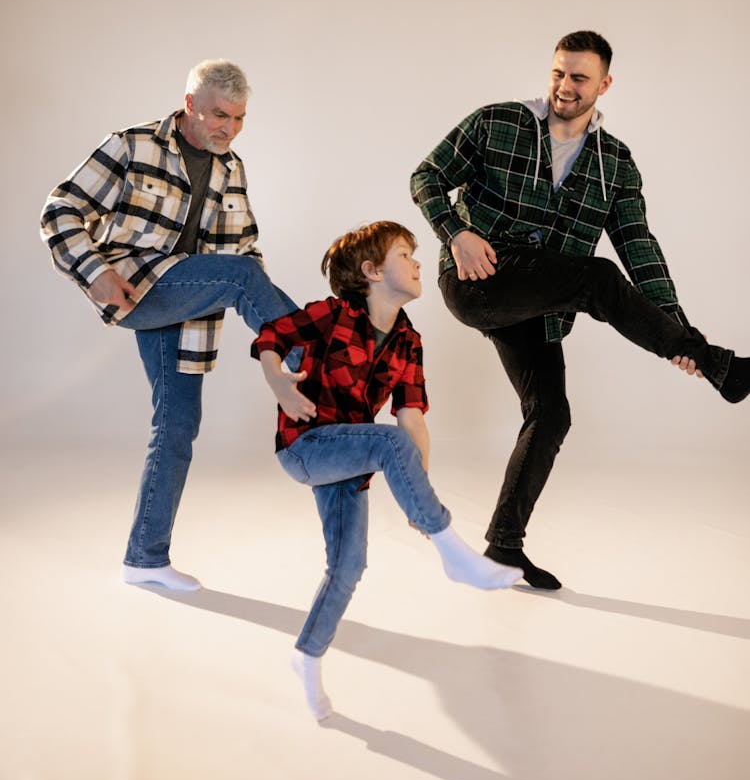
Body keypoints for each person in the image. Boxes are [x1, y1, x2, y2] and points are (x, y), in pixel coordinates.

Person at [410, 30, 750, 591]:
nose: (565, 87)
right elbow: (425, 177)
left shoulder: (615, 163)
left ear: (605, 84)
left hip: (540, 305)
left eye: (579, 78)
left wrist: (679, 332)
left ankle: (503, 547)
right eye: (558, 74)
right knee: (595, 278)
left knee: (551, 414)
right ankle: (720, 367)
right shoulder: (498, 122)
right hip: (479, 280)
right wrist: (457, 233)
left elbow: (641, 251)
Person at [40, 59, 300, 591]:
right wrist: (96, 273)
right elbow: (60, 209)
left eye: (240, 118)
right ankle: (322, 360)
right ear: (189, 105)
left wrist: (264, 313)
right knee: (245, 278)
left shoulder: (232, 168)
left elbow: (244, 250)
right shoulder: (132, 146)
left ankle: (145, 558)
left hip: (191, 305)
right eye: (219, 115)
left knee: (177, 426)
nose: (228, 128)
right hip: (139, 286)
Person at [251, 221, 522, 720]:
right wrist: (280, 385)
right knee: (387, 442)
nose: (418, 263)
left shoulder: (408, 341)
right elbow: (271, 336)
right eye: (405, 253)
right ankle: (455, 554)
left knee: (348, 567)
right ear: (372, 271)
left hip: (354, 456)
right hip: (306, 447)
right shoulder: (331, 314)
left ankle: (306, 660)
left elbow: (412, 418)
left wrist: (421, 495)